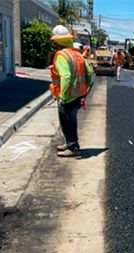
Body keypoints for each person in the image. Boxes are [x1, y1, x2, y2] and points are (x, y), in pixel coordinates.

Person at [49, 25, 94, 158]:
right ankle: (70, 143)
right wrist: (84, 90)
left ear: (58, 41)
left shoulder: (61, 55)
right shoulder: (77, 55)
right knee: (71, 120)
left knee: (67, 121)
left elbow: (66, 76)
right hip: (78, 94)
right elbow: (90, 73)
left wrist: (62, 96)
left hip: (67, 96)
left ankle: (73, 147)